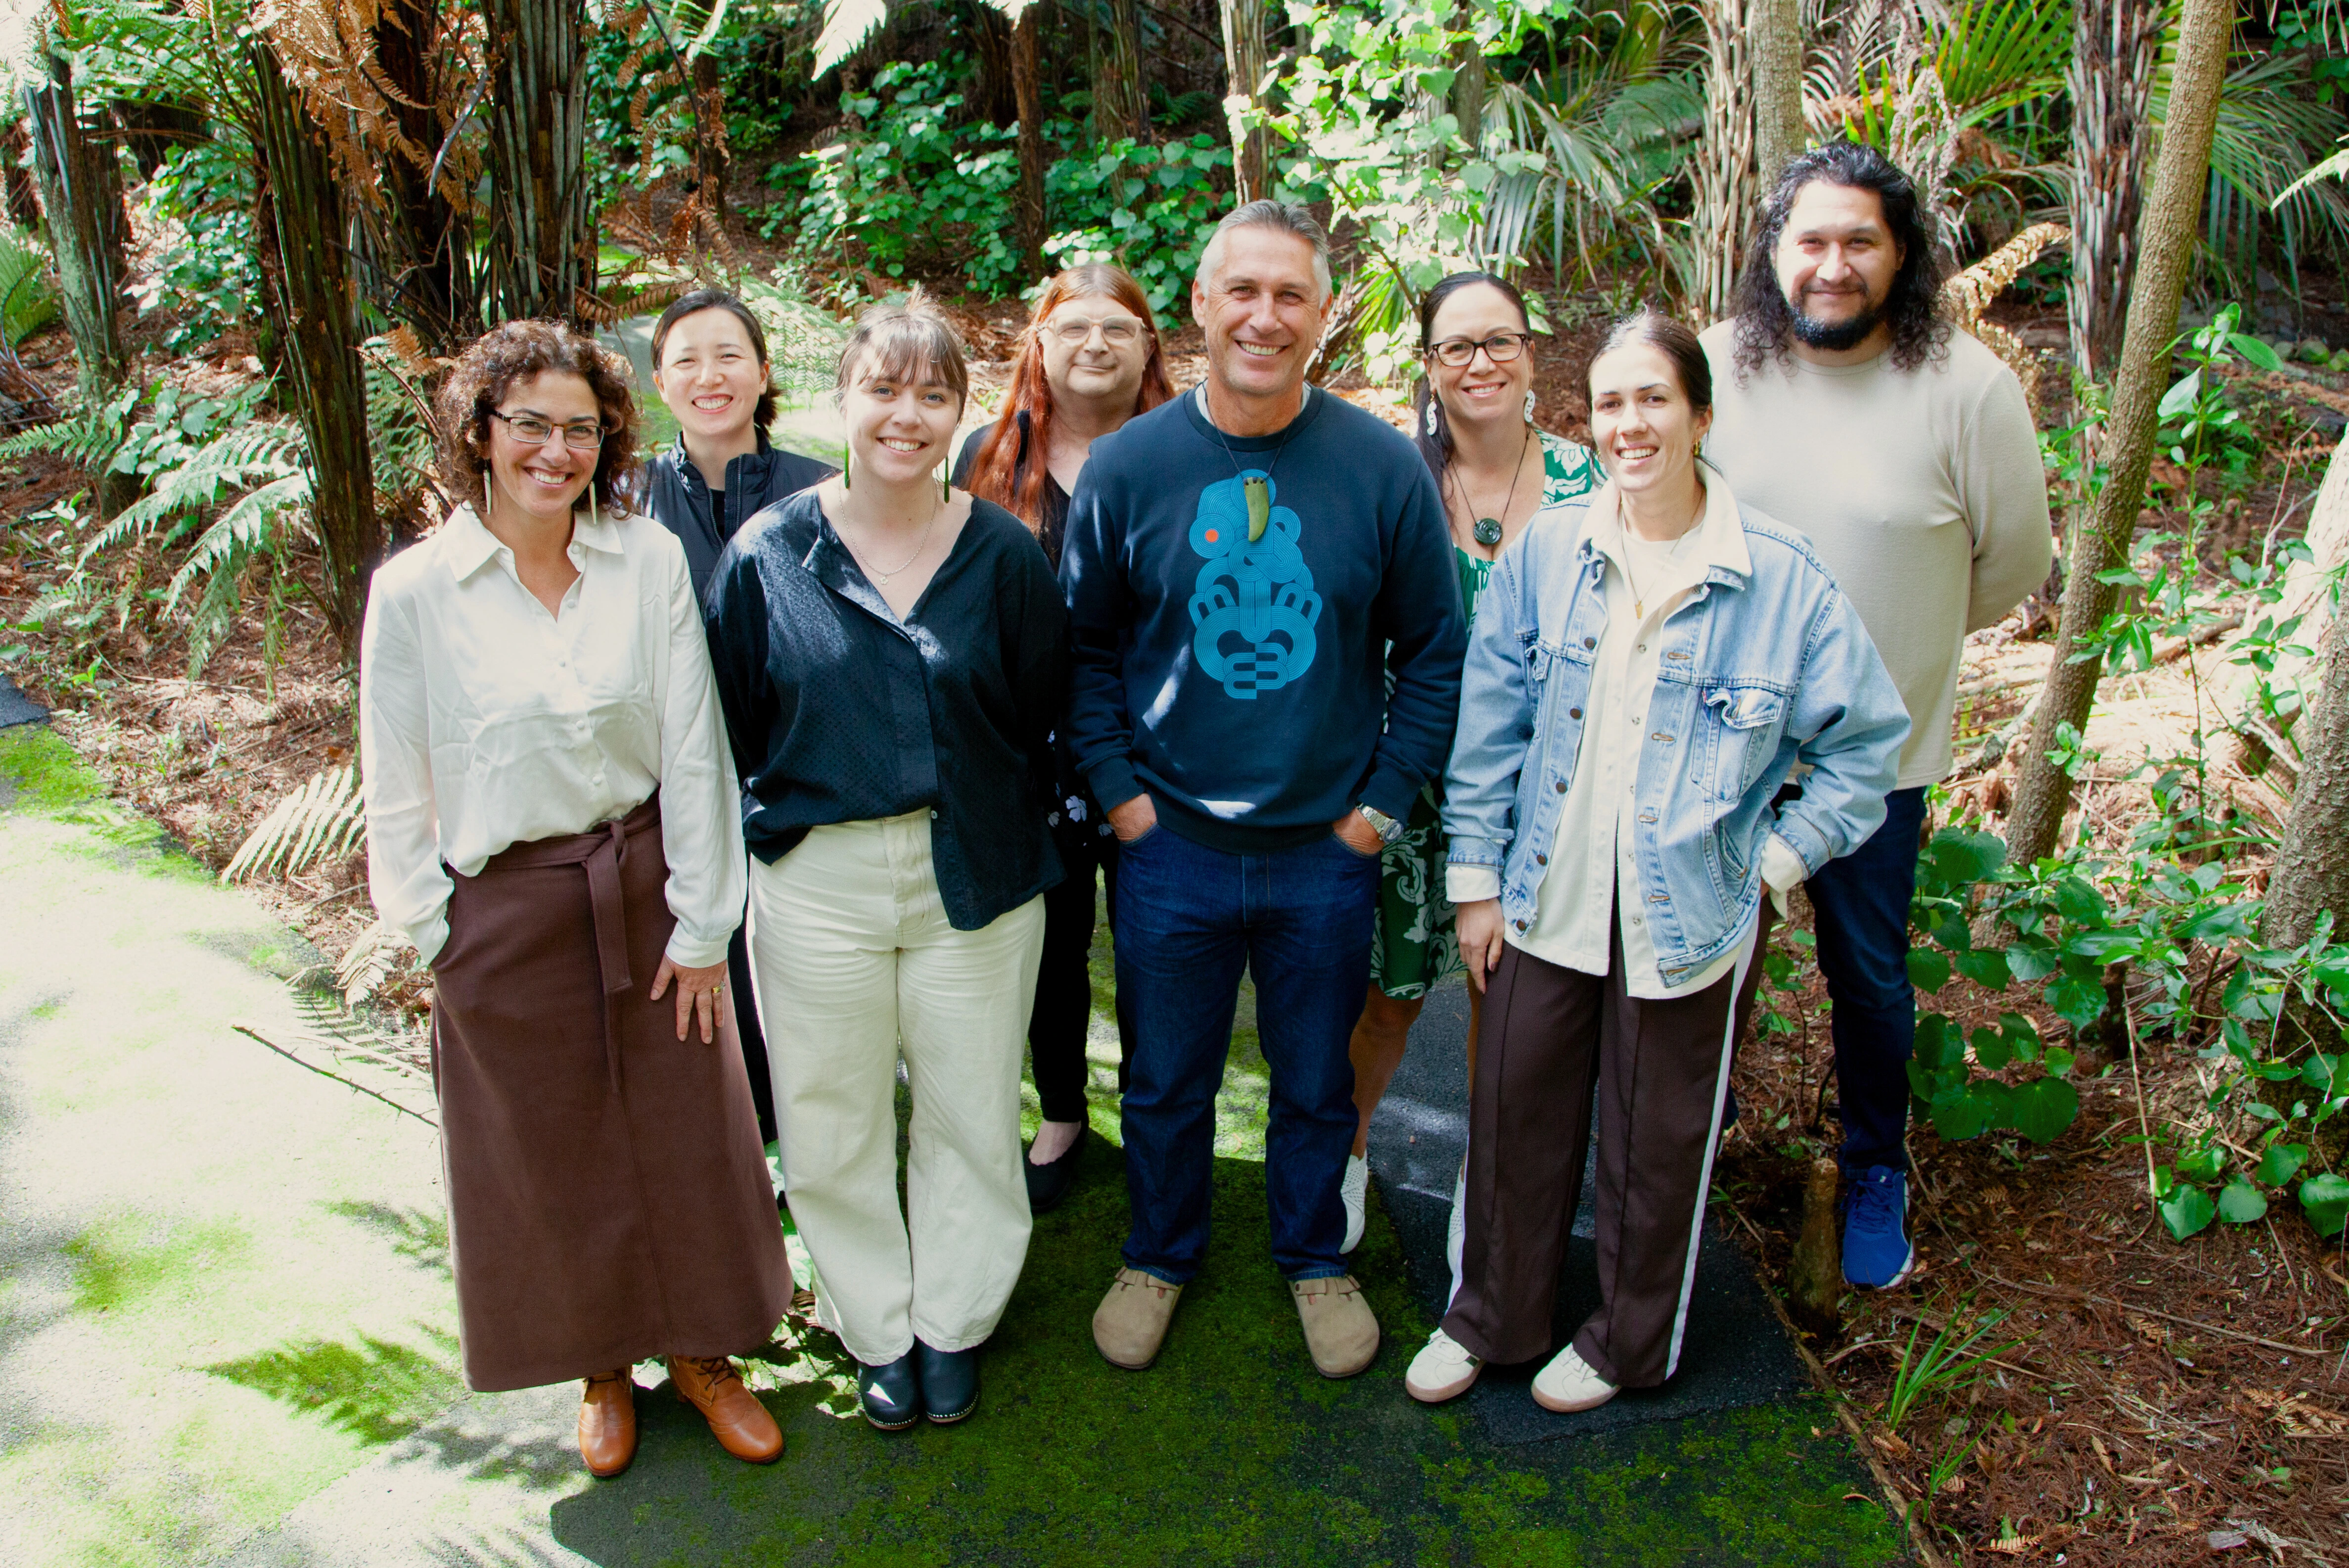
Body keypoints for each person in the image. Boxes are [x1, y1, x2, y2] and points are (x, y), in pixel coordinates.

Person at [1404, 309, 1909, 1411]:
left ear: (1699, 416)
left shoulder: (1779, 577)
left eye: (1654, 400)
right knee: (1512, 1109)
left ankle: (1627, 1343)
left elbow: (1868, 745)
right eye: (1612, 402)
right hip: (1546, 892)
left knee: (1654, 1137)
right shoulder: (1551, 550)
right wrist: (1476, 883)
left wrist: (1777, 859)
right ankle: (1489, 1315)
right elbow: (1490, 728)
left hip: (1693, 910)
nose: (1631, 424)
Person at [360, 320, 790, 1480]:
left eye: (583, 429)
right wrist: (431, 929)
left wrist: (706, 923)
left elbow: (693, 744)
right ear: (480, 432)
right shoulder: (415, 593)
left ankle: (707, 1352)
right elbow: (392, 778)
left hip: (646, 881)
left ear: (608, 442)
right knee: (549, 1145)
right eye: (532, 424)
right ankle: (603, 1365)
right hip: (503, 908)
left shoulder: (642, 558)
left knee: (688, 1124)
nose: (557, 450)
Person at [1062, 201, 1466, 1380]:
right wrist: (1121, 799)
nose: (1263, 315)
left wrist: (1379, 805)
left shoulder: (1379, 466)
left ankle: (1312, 1255)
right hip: (1169, 843)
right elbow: (1085, 654)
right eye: (1241, 290)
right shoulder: (1131, 468)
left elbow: (1432, 651)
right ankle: (1158, 1252)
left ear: (1323, 316)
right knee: (1164, 1077)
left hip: (1323, 852)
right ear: (1197, 305)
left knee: (1315, 1077)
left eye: (1290, 294)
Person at [705, 293, 1066, 1432]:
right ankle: (876, 1326)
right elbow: (736, 718)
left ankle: (953, 1321)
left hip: (977, 873)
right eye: (884, 388)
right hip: (819, 879)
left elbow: (1040, 711)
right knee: (829, 1115)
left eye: (933, 392)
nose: (906, 414)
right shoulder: (770, 551)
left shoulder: (1003, 555)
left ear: (961, 410)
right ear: (840, 398)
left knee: (968, 1108)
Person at [1701, 141, 2054, 1290]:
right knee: (1704, 961)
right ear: (1772, 252)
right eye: (1810, 240)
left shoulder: (1967, 388)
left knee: (1868, 975)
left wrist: (1893, 645)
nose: (1833, 264)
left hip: (1877, 761)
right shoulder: (1718, 369)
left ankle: (1873, 1167)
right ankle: (1683, 1148)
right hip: (1718, 749)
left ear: (1902, 256)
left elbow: (2007, 569)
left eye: (1861, 240)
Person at [1338, 270, 1604, 1255]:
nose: (1480, 364)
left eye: (1500, 342)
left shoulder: (1591, 485)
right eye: (1457, 347)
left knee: (1510, 998)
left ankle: (1481, 1188)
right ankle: (1347, 1156)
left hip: (1542, 798)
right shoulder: (1390, 481)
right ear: (1428, 367)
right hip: (1410, 785)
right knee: (1388, 995)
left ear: (1532, 355)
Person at [952, 262, 1176, 1212]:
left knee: (1157, 944)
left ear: (1149, 346)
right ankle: (1063, 1109)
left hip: (1157, 753)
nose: (1096, 344)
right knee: (1045, 941)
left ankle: (1161, 1111)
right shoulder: (985, 456)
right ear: (1039, 345)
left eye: (1117, 328)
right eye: (1073, 326)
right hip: (1025, 753)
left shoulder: (1186, 451)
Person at [641, 286, 835, 1150]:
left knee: (803, 965)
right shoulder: (620, 498)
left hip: (800, 769)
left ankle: (818, 1125)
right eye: (687, 359)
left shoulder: (823, 491)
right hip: (672, 772)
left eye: (729, 356)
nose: (709, 376)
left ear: (763, 373)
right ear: (659, 382)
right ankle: (740, 1127)